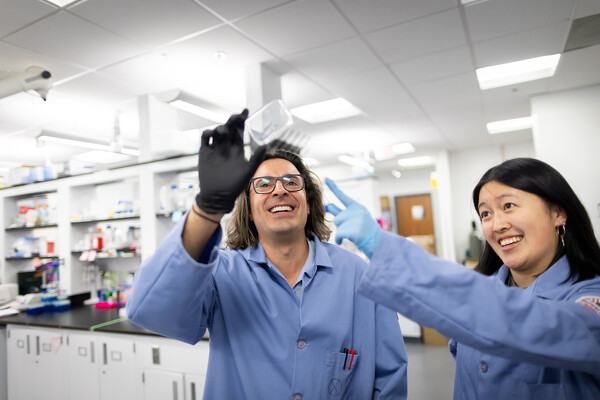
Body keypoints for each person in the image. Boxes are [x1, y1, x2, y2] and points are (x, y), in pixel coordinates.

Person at [127, 110, 408, 399]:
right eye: (263, 185)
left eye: (292, 182)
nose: (279, 191)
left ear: (309, 204)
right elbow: (147, 309)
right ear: (248, 210)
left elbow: (389, 379)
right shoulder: (222, 275)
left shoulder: (360, 276)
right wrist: (207, 208)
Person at [325, 158, 600, 399]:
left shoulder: (589, 299)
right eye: (486, 214)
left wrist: (384, 248)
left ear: (558, 212)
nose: (497, 224)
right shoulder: (482, 287)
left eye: (509, 205)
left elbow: (523, 319)